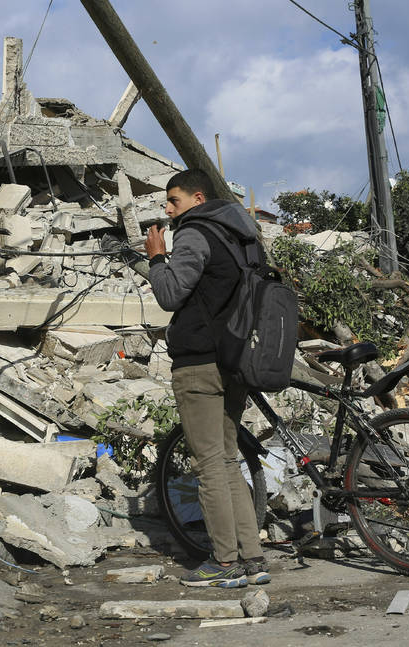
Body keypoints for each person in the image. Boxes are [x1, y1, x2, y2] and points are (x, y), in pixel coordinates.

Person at [144, 169, 267, 588]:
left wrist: (157, 256)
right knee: (229, 462)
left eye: (173, 201)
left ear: (198, 198)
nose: (167, 209)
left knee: (210, 465)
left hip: (199, 364)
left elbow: (170, 294)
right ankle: (252, 558)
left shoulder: (196, 233)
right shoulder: (241, 236)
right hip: (234, 362)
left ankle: (223, 559)